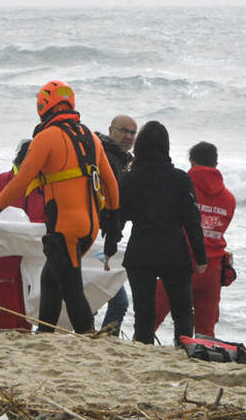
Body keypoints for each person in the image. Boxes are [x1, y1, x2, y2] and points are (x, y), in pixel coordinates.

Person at [0, 80, 120, 334]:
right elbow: (110, 183)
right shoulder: (90, 137)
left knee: (71, 288)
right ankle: (45, 334)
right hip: (90, 226)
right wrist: (113, 223)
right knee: (50, 279)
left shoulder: (47, 137)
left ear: (43, 105)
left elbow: (21, 181)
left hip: (66, 228)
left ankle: (88, 339)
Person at [109, 121, 206, 345]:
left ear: (140, 146)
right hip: (174, 252)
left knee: (144, 314)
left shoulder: (131, 178)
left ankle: (143, 352)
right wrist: (200, 257)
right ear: (166, 146)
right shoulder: (180, 179)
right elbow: (192, 220)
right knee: (182, 311)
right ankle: (183, 350)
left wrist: (109, 248)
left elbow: (119, 218)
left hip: (140, 252)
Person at [154, 141, 235, 337]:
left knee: (151, 317)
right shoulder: (229, 198)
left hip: (180, 264)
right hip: (213, 269)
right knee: (205, 331)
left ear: (192, 162)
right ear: (216, 165)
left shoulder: (180, 187)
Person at [0, 140, 44, 331]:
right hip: (1, 260)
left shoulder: (44, 187)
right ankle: (1, 348)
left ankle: (19, 353)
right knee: (9, 310)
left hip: (30, 262)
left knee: (27, 314)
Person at [93, 114, 137, 336]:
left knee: (93, 293)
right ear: (111, 131)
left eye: (132, 133)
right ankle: (103, 340)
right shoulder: (109, 158)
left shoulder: (115, 157)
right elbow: (112, 205)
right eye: (124, 131)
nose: (129, 136)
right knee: (118, 301)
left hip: (98, 237)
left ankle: (91, 336)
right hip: (97, 239)